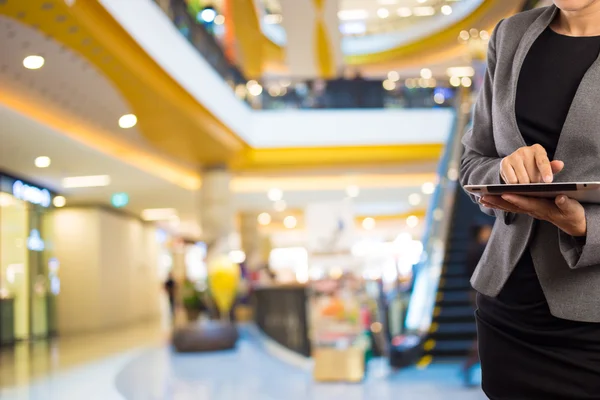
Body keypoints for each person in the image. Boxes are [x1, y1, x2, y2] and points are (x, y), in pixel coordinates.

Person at [460, 2, 600, 398]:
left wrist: (587, 228)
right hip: (510, 312)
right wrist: (504, 170)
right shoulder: (511, 34)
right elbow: (472, 162)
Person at [461, 224, 492, 386]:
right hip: (482, 293)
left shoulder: (472, 249)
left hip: (476, 293)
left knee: (483, 330)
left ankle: (469, 366)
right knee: (484, 331)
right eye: (487, 230)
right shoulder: (480, 250)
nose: (490, 232)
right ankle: (469, 365)